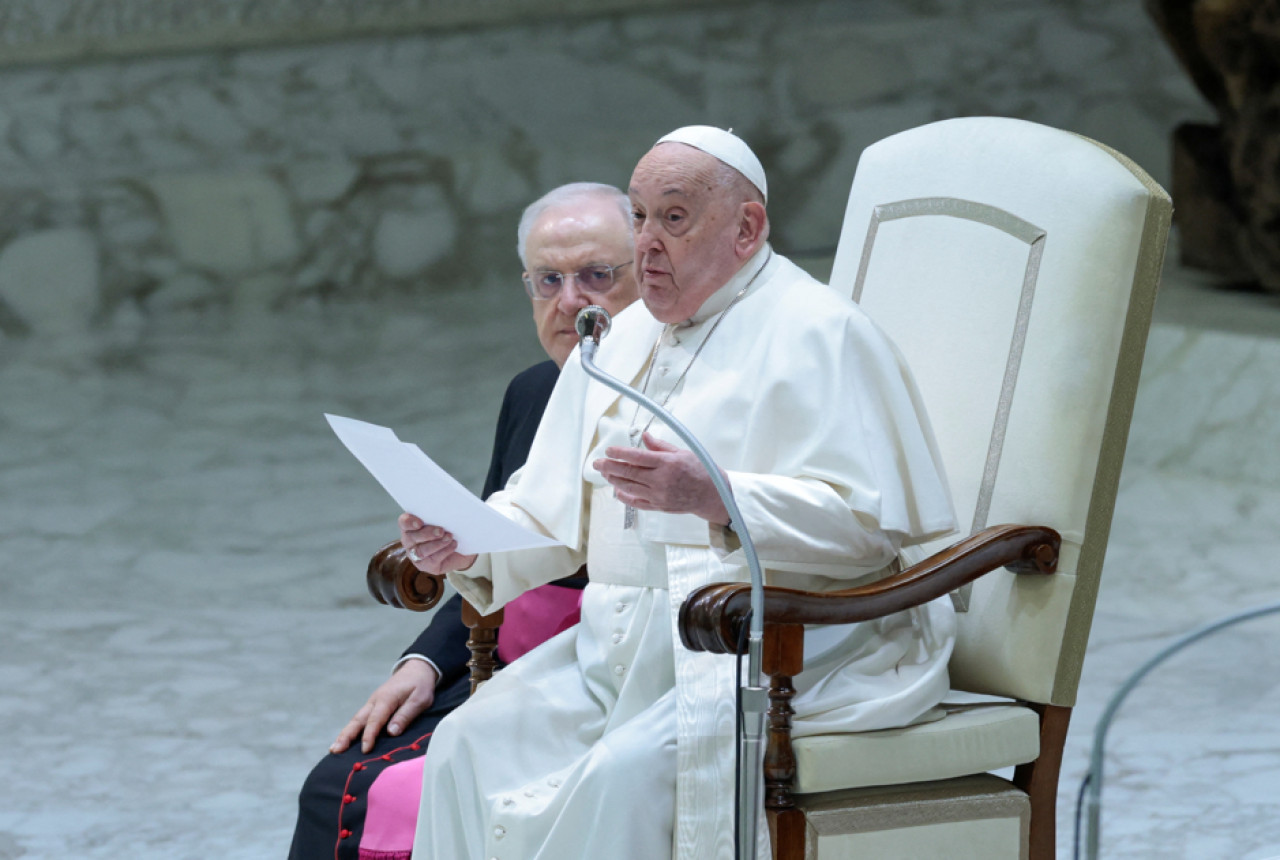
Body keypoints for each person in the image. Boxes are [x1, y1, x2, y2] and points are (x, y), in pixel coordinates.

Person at [400, 126, 960, 860]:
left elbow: (868, 530)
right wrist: (466, 538)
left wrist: (720, 499)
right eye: (637, 216)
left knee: (622, 779)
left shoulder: (820, 333)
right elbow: (545, 510)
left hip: (784, 650)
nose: (646, 244)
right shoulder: (620, 339)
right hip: (618, 655)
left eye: (673, 218)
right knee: (466, 743)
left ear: (746, 228)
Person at [288, 182, 639, 860]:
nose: (571, 301)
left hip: (605, 671)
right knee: (335, 784)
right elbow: (491, 557)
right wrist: (424, 660)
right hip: (497, 656)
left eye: (597, 275)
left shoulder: (677, 399)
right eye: (548, 280)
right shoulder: (533, 390)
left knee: (389, 790)